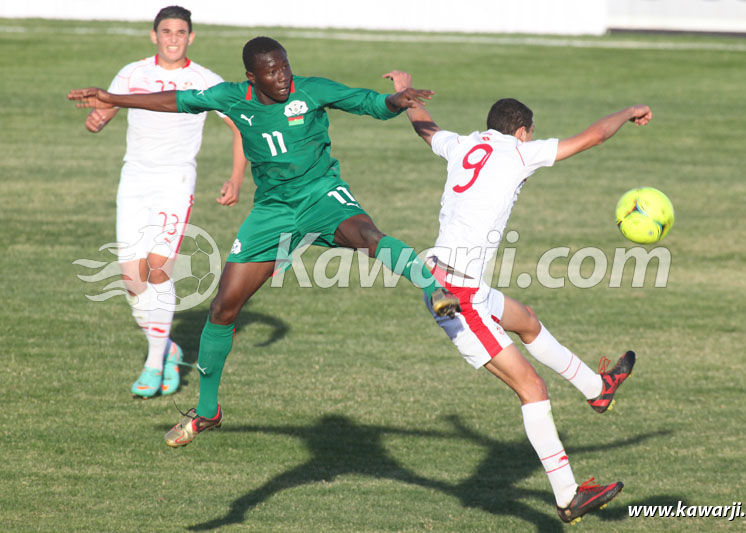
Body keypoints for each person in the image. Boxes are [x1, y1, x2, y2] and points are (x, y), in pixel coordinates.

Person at [68, 37, 460, 445]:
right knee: (222, 310)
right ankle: (207, 412)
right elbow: (177, 101)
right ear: (251, 77)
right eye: (272, 72)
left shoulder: (310, 90)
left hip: (322, 196)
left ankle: (435, 287)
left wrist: (397, 101)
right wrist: (112, 98)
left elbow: (370, 104)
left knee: (369, 236)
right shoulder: (232, 98)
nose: (283, 77)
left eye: (285, 66)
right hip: (272, 212)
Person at [385, 70, 648, 524]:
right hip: (456, 296)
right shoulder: (522, 153)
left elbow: (424, 125)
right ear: (522, 130)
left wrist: (403, 94)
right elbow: (593, 137)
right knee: (532, 389)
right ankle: (568, 495)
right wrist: (629, 110)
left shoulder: (464, 144)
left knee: (526, 319)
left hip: (461, 281)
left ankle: (597, 389)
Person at [80, 6, 247, 399]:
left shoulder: (204, 81)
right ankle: (168, 348)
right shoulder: (132, 73)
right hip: (133, 181)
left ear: (191, 37)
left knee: (158, 269)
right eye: (166, 31)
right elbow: (107, 106)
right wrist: (99, 118)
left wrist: (236, 177)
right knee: (133, 281)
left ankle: (154, 362)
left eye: (181, 31)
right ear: (153, 36)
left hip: (175, 182)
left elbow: (240, 126)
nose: (173, 37)